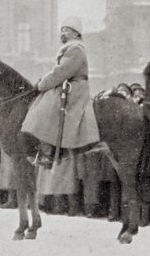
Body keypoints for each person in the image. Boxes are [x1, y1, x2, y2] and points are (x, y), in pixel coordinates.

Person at [21, 16, 100, 168]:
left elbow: (60, 72)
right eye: (62, 30)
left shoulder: (76, 49)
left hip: (75, 88)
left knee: (48, 103)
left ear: (77, 33)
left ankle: (48, 149)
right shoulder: (70, 48)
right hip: (68, 85)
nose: (62, 33)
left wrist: (41, 84)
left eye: (67, 30)